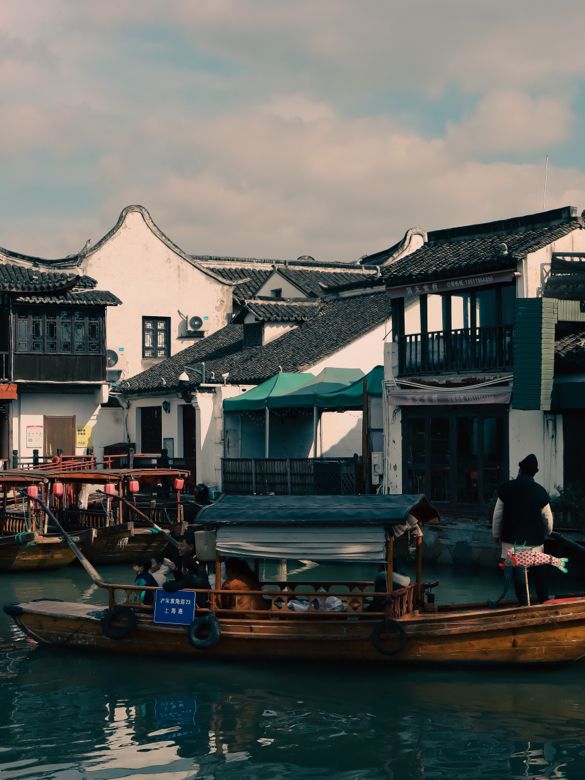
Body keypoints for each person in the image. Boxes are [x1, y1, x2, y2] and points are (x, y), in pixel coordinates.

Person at [492, 453, 554, 605]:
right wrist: (548, 532)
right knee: (538, 572)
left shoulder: (506, 488)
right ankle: (543, 600)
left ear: (520, 469)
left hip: (510, 542)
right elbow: (547, 518)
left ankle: (524, 604)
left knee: (518, 574)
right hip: (535, 543)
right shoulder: (540, 491)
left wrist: (496, 535)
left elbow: (498, 515)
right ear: (534, 472)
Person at [164, 532, 211, 607]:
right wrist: (176, 569)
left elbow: (197, 582)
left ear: (191, 546)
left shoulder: (197, 562)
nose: (179, 548)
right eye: (178, 545)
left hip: (199, 604)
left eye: (182, 546)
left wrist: (175, 585)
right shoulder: (181, 559)